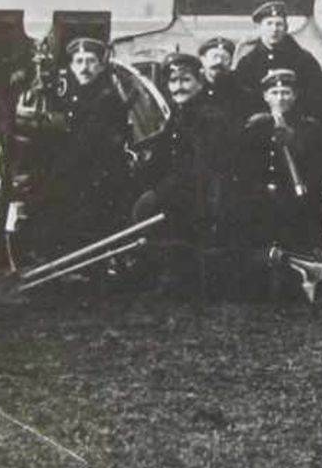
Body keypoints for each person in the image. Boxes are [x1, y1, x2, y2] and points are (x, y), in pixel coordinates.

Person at [14, 36, 136, 259]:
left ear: (100, 66)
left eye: (90, 61)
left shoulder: (107, 98)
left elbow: (85, 144)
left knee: (48, 193)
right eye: (79, 61)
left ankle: (49, 252)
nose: (84, 68)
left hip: (98, 173)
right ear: (71, 66)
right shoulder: (76, 94)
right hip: (80, 165)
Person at [131, 52, 237, 290]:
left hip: (204, 193)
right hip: (183, 187)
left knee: (147, 207)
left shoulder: (209, 117)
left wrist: (160, 191)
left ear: (200, 82)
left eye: (186, 80)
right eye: (174, 81)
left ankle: (173, 273)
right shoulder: (181, 113)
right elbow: (163, 152)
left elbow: (199, 167)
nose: (179, 87)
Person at [233, 68, 322, 268]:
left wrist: (296, 142)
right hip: (261, 201)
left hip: (298, 202)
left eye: (286, 93)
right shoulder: (255, 126)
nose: (280, 98)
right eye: (274, 93)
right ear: (265, 96)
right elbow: (241, 165)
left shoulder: (310, 127)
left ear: (295, 96)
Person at [234, 1, 322, 115]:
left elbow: (316, 93)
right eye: (269, 24)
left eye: (279, 24)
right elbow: (241, 98)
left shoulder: (303, 59)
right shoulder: (248, 62)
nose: (274, 29)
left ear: (286, 28)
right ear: (259, 27)